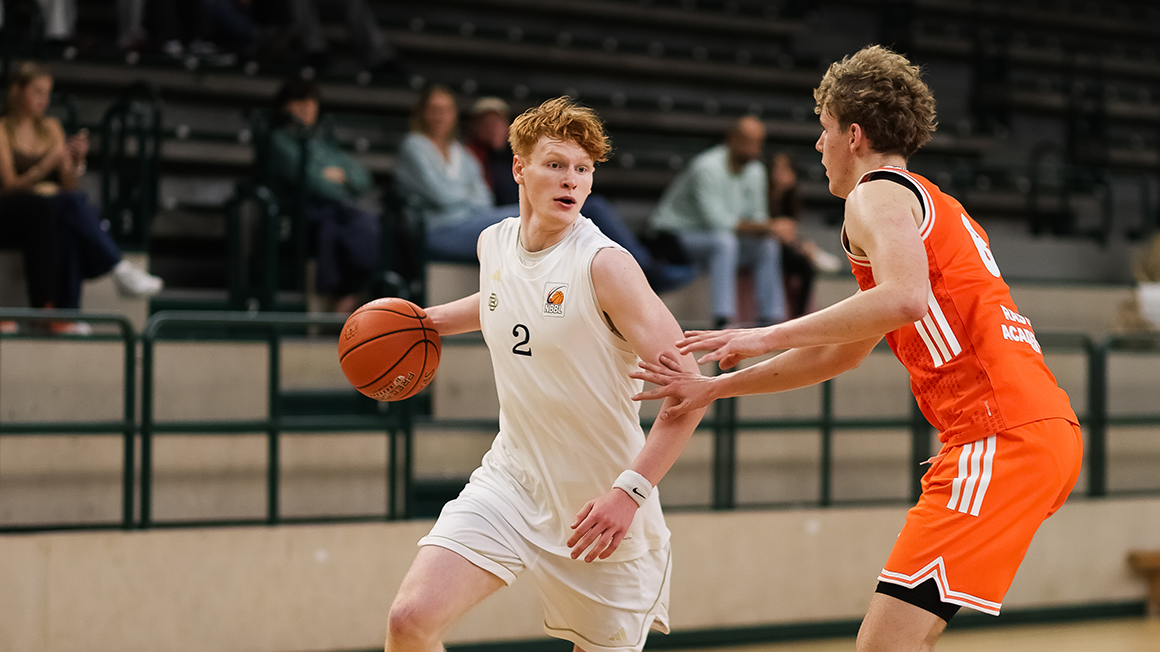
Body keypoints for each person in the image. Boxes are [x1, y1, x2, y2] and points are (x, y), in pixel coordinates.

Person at [632, 45, 1082, 651]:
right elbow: (839, 352)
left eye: (822, 131)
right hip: (1034, 428)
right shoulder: (929, 204)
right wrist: (717, 386)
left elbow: (904, 301)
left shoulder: (876, 195)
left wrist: (762, 332)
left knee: (882, 648)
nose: (818, 147)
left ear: (854, 134)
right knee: (907, 642)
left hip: (999, 432)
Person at [385, 97, 706, 652]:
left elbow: (693, 391)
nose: (571, 180)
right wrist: (429, 321)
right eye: (556, 164)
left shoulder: (606, 266)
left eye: (583, 169)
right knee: (410, 620)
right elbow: (503, 293)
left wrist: (629, 494)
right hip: (512, 481)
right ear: (518, 167)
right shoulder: (495, 243)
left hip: (600, 511)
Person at [395, 87, 691, 295]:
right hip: (439, 228)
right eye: (433, 110)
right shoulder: (414, 146)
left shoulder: (461, 152)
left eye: (445, 109)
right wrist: (464, 196)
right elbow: (441, 195)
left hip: (474, 217)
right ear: (422, 113)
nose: (439, 116)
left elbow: (481, 196)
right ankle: (645, 270)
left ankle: (634, 273)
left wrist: (460, 195)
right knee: (587, 208)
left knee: (590, 207)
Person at [0, 62, 162, 329]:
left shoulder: (51, 127)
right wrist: (45, 167)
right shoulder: (3, 129)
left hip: (50, 207)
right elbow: (9, 186)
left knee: (69, 205)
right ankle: (114, 269)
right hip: (14, 209)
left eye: (47, 93)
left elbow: (69, 185)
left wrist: (76, 162)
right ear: (17, 91)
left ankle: (66, 313)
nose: (44, 100)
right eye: (37, 92)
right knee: (52, 209)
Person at [649, 116, 788, 328]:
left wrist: (773, 230)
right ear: (732, 138)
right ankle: (723, 318)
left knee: (767, 245)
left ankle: (771, 318)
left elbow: (758, 217)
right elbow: (717, 222)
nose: (754, 148)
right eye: (748, 140)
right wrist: (770, 226)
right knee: (724, 242)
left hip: (720, 240)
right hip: (673, 238)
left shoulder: (756, 170)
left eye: (758, 141)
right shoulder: (706, 166)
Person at [267, 77, 379, 314]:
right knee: (344, 229)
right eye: (299, 101)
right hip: (301, 214)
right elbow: (315, 183)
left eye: (312, 101)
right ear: (284, 106)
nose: (307, 107)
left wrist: (344, 177)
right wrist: (336, 179)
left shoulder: (323, 141)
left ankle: (352, 292)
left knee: (371, 226)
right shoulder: (279, 140)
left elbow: (362, 177)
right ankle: (345, 294)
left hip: (337, 209)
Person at [767, 151, 842, 319]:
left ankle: (799, 315)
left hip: (786, 246)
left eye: (786, 170)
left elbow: (791, 229)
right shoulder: (763, 194)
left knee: (805, 266)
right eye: (778, 169)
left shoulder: (789, 199)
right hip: (769, 245)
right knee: (788, 255)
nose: (781, 174)